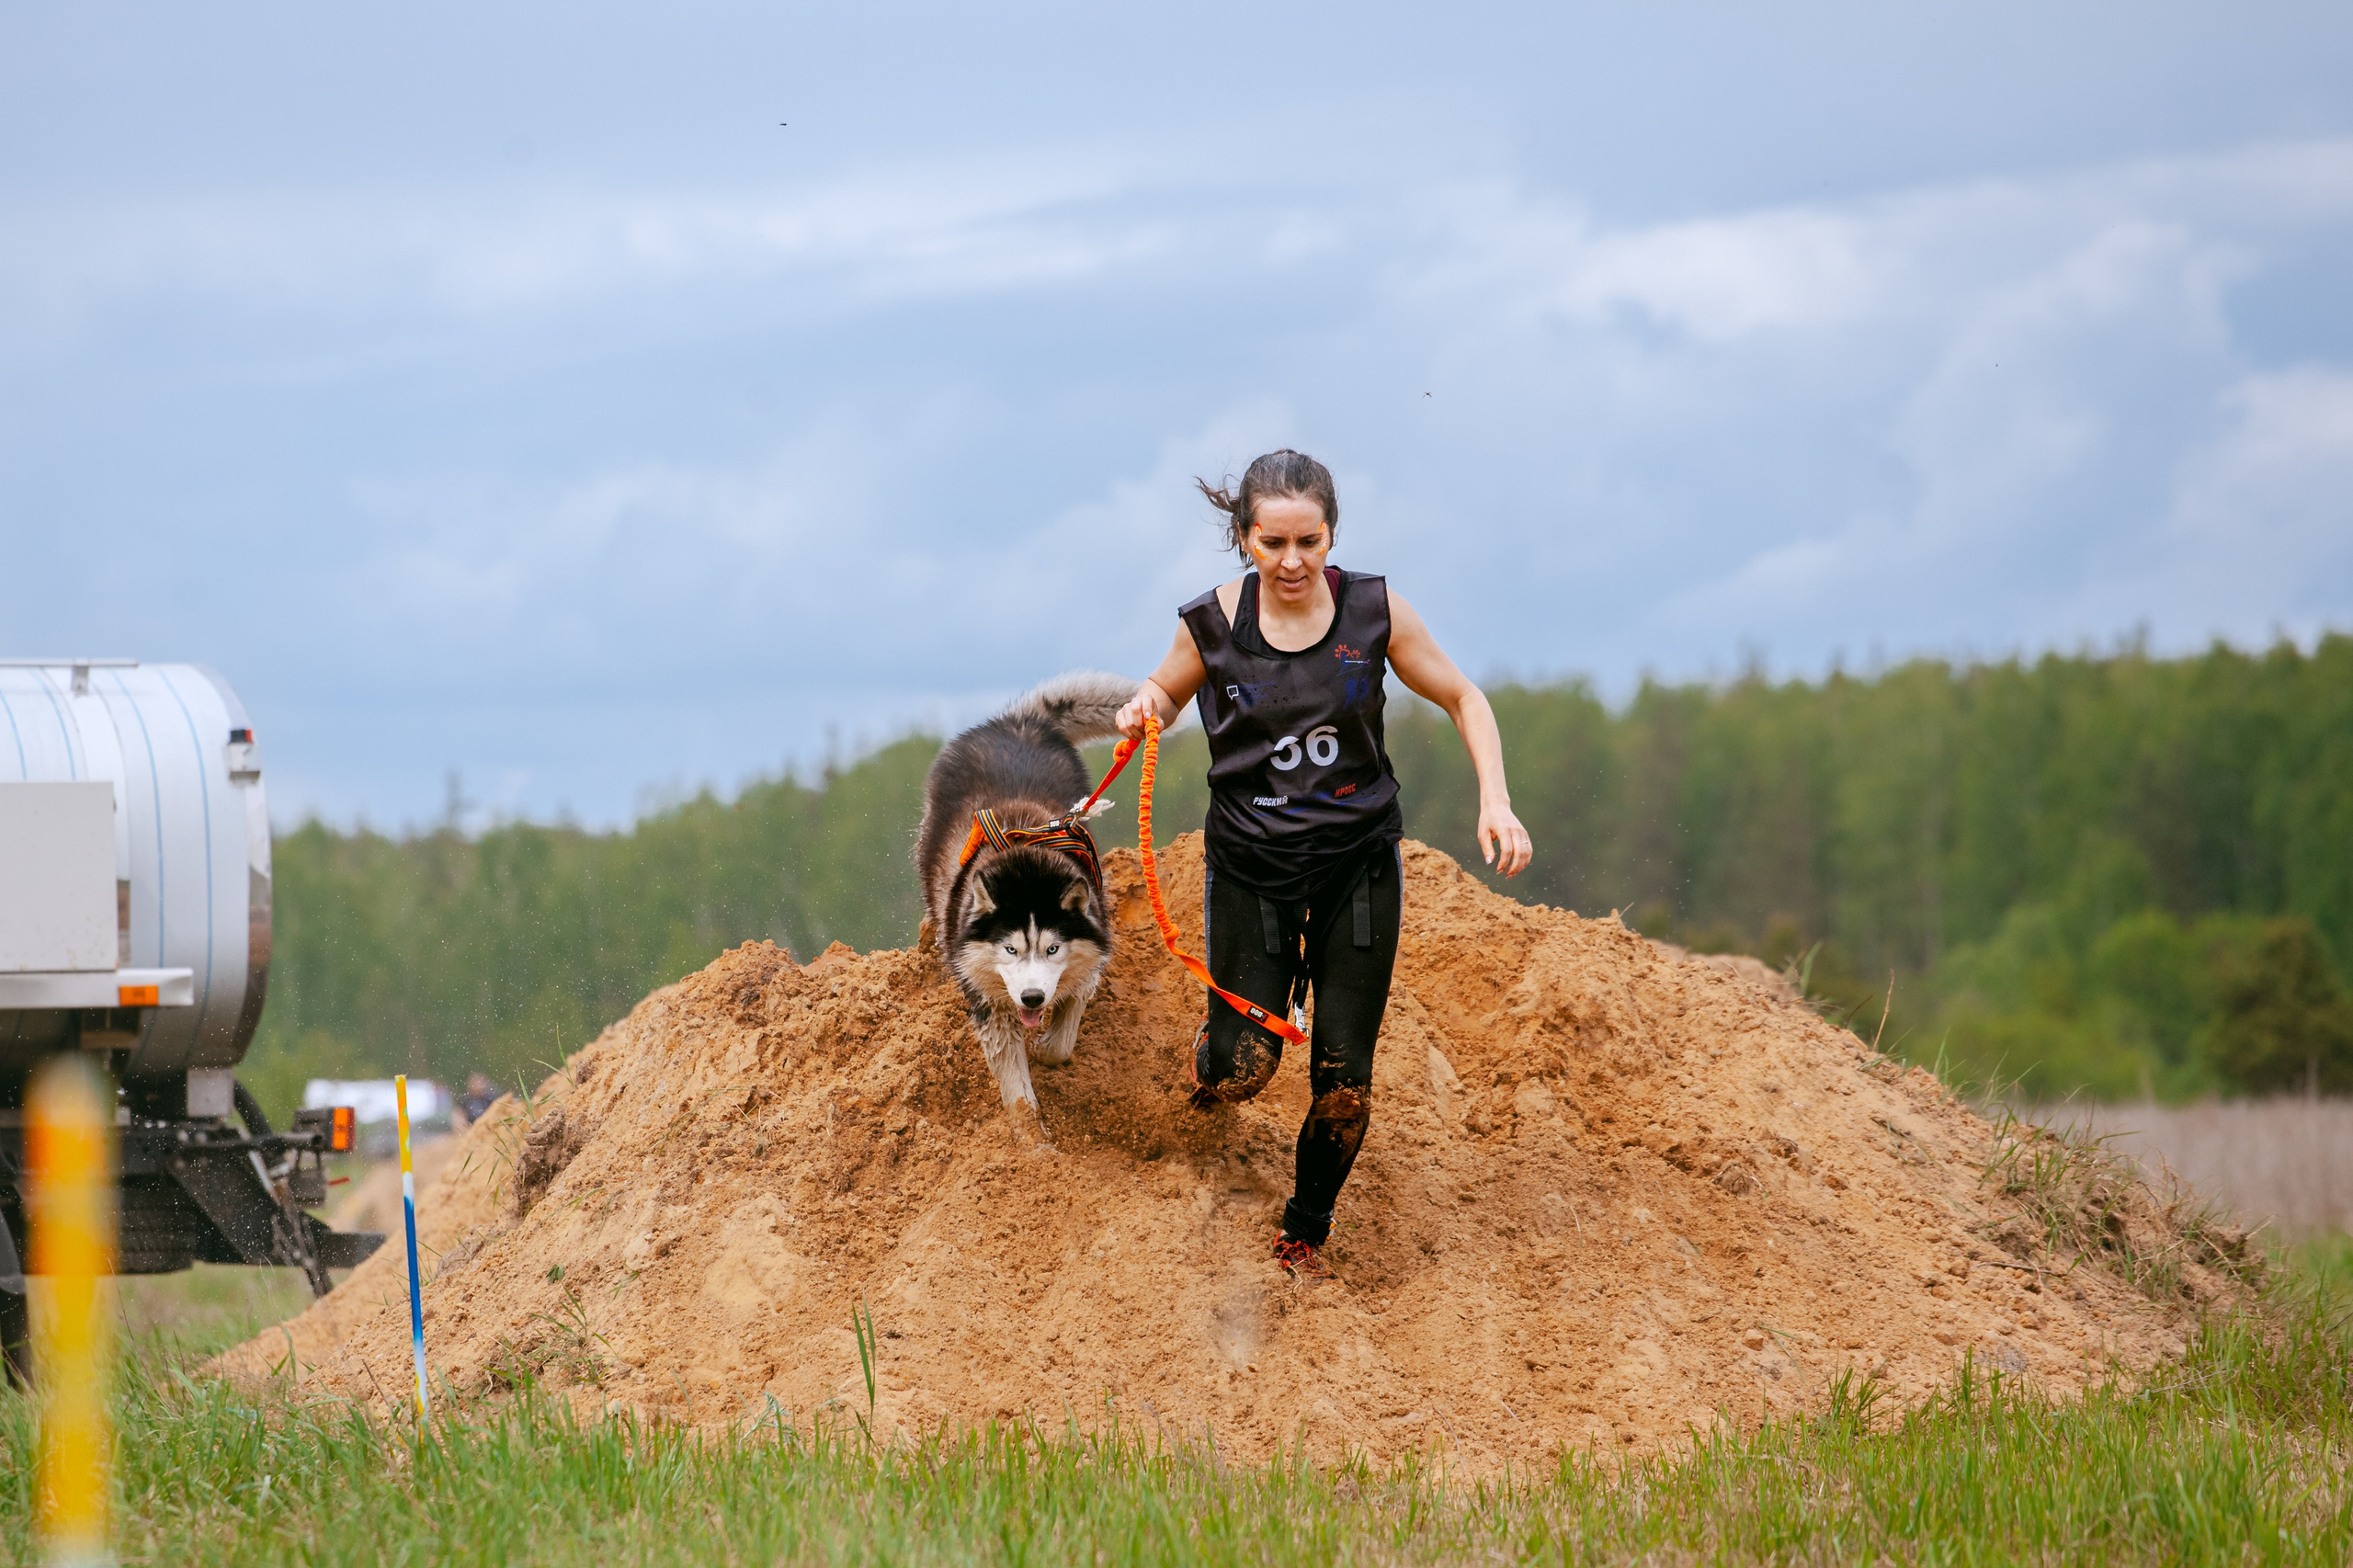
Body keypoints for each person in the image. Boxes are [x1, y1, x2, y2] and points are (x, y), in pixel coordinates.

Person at [1114, 449, 1532, 1279]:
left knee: (1344, 1080)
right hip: (1252, 867)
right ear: (1244, 539)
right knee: (1243, 1073)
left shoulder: (1375, 612)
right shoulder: (1209, 624)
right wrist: (1144, 707)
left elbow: (1464, 697)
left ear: (1331, 533)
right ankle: (1214, 1056)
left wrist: (1496, 799)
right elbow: (1164, 690)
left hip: (1356, 866)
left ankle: (1303, 1233)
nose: (1293, 561)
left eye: (1310, 541)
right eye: (1274, 544)